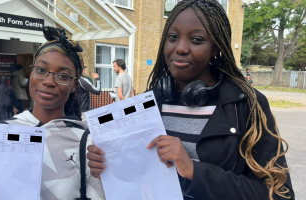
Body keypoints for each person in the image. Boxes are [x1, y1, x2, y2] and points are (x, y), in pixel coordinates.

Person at [87, 1, 294, 200]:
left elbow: (278, 193)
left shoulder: (247, 105)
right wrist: (107, 164)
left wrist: (194, 171)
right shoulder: (148, 103)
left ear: (216, 47)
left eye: (196, 39)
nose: (181, 48)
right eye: (173, 37)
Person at [0, 27, 105, 200]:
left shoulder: (88, 143)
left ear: (74, 85)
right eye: (41, 70)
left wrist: (107, 174)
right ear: (31, 73)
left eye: (63, 76)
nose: (49, 81)